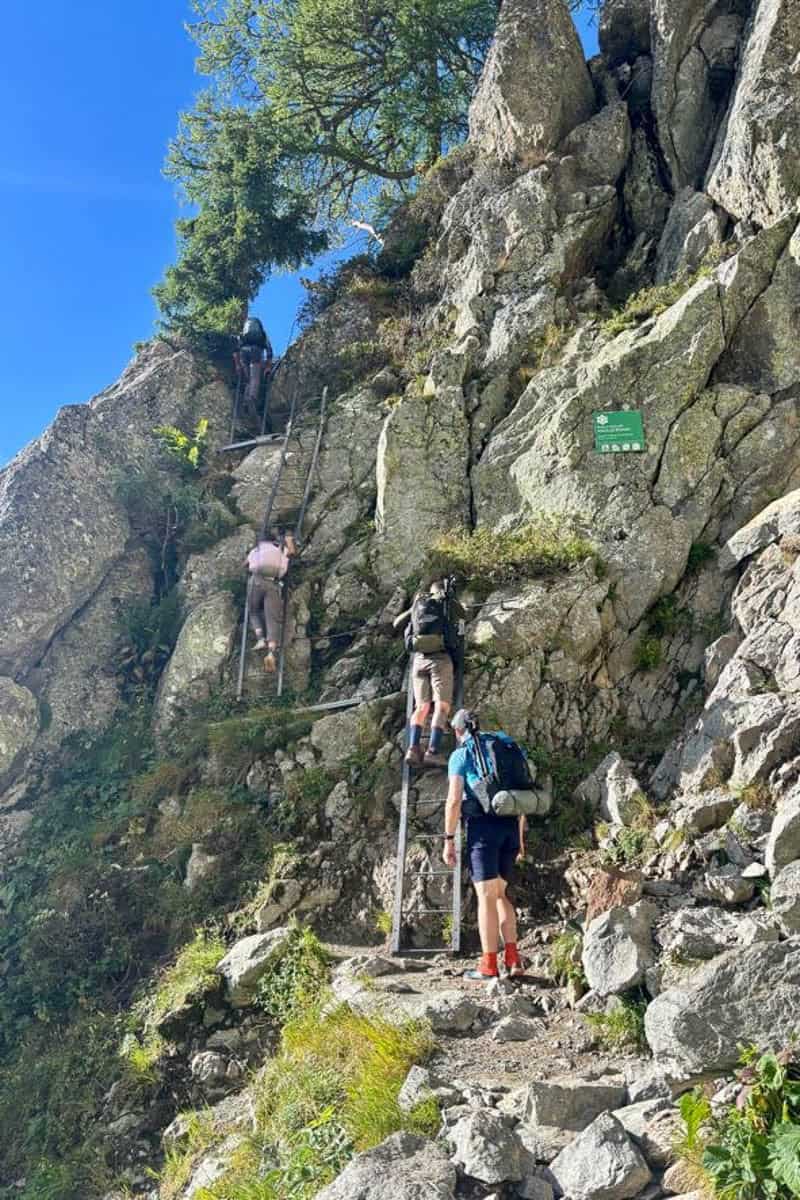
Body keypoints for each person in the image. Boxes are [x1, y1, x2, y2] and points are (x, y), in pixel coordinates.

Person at [443, 709, 527, 980]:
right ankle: (513, 959)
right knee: (502, 894)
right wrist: (521, 839)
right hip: (511, 825)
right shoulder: (505, 745)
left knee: (486, 897)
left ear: (458, 731)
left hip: (483, 829)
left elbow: (455, 799)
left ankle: (489, 965)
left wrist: (449, 840)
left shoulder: (462, 754)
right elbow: (522, 792)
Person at [393, 578, 465, 769]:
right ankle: (432, 751)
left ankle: (413, 748)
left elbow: (396, 623)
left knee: (422, 707)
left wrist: (413, 609)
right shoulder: (445, 602)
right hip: (440, 659)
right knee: (441, 707)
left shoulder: (419, 604)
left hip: (419, 660)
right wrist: (451, 600)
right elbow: (463, 614)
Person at [245, 529, 296, 673]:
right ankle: (271, 652)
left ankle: (260, 638)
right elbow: (291, 552)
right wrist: (289, 539)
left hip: (257, 581)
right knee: (273, 619)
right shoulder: (280, 549)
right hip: (273, 584)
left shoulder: (258, 549)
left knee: (254, 610)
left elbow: (247, 564)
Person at [235, 316, 273, 422]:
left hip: (243, 353)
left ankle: (245, 402)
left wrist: (238, 365)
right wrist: (268, 366)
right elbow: (269, 349)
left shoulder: (242, 334)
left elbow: (236, 349)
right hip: (256, 352)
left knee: (248, 379)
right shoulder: (263, 335)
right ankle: (251, 399)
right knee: (255, 378)